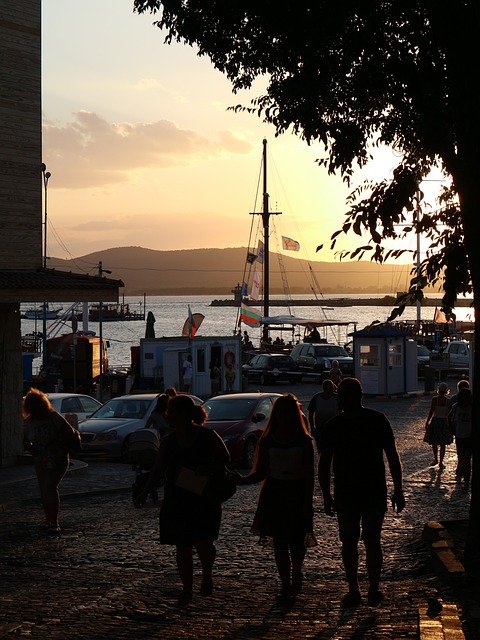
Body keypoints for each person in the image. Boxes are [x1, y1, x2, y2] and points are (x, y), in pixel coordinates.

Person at [134, 394, 230, 606]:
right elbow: (158, 469)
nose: (169, 417)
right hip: (178, 497)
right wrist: (144, 491)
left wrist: (209, 468)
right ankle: (187, 588)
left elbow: (225, 458)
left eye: (173, 413)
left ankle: (206, 574)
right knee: (182, 545)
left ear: (185, 415)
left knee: (204, 542)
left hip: (204, 496)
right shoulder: (169, 442)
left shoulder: (208, 436)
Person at [318, 377, 405, 608]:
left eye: (344, 396)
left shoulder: (337, 426)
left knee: (365, 540)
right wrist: (326, 494)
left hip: (361, 491)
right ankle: (359, 588)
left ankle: (367, 588)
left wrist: (399, 489)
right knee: (357, 541)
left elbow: (393, 456)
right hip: (358, 491)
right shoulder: (375, 421)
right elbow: (324, 465)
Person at [234, 394, 317, 600]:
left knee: (297, 541)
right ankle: (285, 582)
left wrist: (309, 502)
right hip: (275, 492)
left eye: (286, 412)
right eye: (279, 412)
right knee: (280, 542)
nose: (283, 416)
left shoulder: (304, 441)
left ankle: (296, 571)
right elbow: (261, 472)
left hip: (296, 491)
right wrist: (242, 480)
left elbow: (309, 475)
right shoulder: (268, 440)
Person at [23, 388, 81, 535]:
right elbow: (25, 440)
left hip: (58, 457)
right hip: (41, 459)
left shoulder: (53, 417)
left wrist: (56, 444)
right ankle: (48, 519)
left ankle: (54, 521)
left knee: (50, 487)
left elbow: (69, 432)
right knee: (44, 489)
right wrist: (31, 448)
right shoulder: (29, 422)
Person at [424, 381, 453, 468]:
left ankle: (435, 459)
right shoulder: (448, 401)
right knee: (443, 443)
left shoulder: (434, 399)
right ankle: (441, 462)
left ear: (439, 390)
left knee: (434, 442)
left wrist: (427, 421)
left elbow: (431, 411)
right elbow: (449, 413)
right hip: (444, 422)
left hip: (436, 421)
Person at [448, 387, 473, 487]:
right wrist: (451, 428)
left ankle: (466, 481)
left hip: (470, 436)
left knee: (467, 459)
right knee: (462, 458)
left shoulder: (472, 407)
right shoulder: (456, 407)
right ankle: (462, 473)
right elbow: (449, 417)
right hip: (459, 436)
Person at [307, 378, 340, 450]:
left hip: (333, 429)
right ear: (324, 388)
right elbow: (310, 413)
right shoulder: (316, 398)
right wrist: (312, 428)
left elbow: (341, 412)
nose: (331, 390)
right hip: (320, 429)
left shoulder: (337, 398)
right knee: (321, 449)